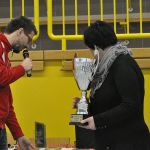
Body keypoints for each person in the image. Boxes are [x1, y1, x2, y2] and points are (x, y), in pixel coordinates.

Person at [73, 21, 150, 150]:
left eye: (90, 49)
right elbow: (109, 103)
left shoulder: (122, 64)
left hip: (129, 142)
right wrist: (85, 105)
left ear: (97, 47)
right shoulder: (106, 68)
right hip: (109, 141)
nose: (90, 53)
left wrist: (97, 121)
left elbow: (130, 105)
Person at [0, 16, 37, 150]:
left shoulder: (5, 52)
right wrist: (22, 68)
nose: (27, 45)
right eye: (29, 39)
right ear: (20, 31)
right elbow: (1, 77)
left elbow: (6, 102)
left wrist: (19, 135)